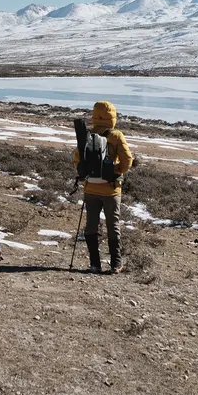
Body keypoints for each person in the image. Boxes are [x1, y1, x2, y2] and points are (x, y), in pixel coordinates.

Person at [74, 100, 133, 274]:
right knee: (112, 225)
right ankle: (116, 264)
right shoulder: (116, 136)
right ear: (112, 116)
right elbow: (128, 159)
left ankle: (94, 264)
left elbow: (77, 160)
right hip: (111, 189)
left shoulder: (86, 135)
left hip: (90, 188)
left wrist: (87, 175)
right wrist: (116, 171)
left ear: (95, 115)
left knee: (91, 225)